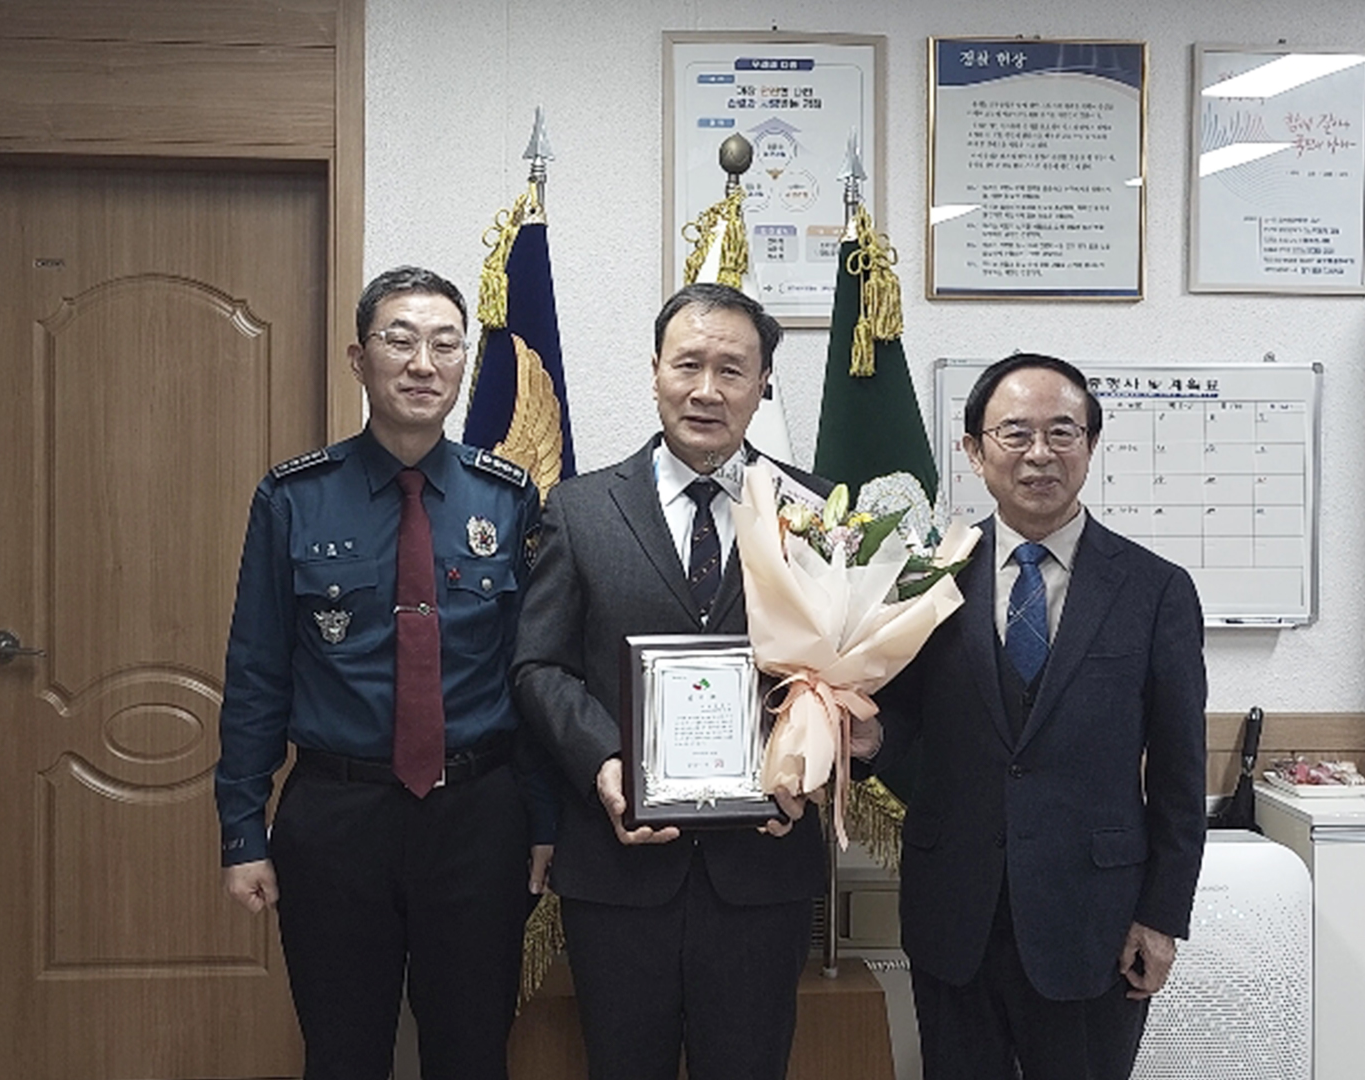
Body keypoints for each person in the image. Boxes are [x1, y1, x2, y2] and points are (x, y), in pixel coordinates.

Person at [512, 282, 862, 1080]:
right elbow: (539, 664)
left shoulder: (811, 511)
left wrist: (805, 764)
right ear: (655, 371)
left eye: (732, 370)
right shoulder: (581, 508)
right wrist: (606, 761)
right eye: (689, 364)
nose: (707, 390)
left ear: (764, 382)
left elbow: (846, 672)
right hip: (620, 861)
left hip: (762, 868)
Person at [214, 265, 549, 1080]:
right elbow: (258, 670)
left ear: (465, 362)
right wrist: (240, 830)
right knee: (342, 1052)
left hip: (479, 818)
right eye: (399, 340)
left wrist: (544, 822)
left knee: (472, 1054)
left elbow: (535, 672)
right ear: (358, 360)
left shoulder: (507, 500)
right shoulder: (293, 498)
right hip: (336, 818)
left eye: (444, 344)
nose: (423, 363)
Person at [873, 353, 1207, 1080]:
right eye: (1015, 434)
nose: (1040, 454)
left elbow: (1181, 774)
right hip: (955, 912)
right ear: (973, 450)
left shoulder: (1155, 591)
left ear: (1090, 444)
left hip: (1095, 919)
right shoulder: (927, 578)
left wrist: (1163, 916)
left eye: (1063, 432)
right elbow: (901, 724)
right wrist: (859, 732)